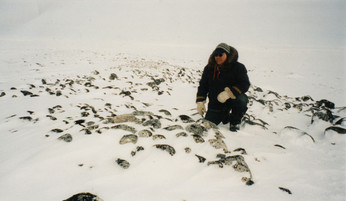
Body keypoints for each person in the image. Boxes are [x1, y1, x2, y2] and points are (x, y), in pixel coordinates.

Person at [196, 43, 250, 131]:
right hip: (216, 102)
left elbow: (244, 84)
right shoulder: (209, 68)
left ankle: (235, 122)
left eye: (221, 54)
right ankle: (225, 116)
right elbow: (203, 85)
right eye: (216, 54)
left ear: (227, 55)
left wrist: (229, 93)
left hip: (232, 100)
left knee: (242, 99)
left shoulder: (238, 67)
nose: (218, 57)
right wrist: (200, 101)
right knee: (209, 124)